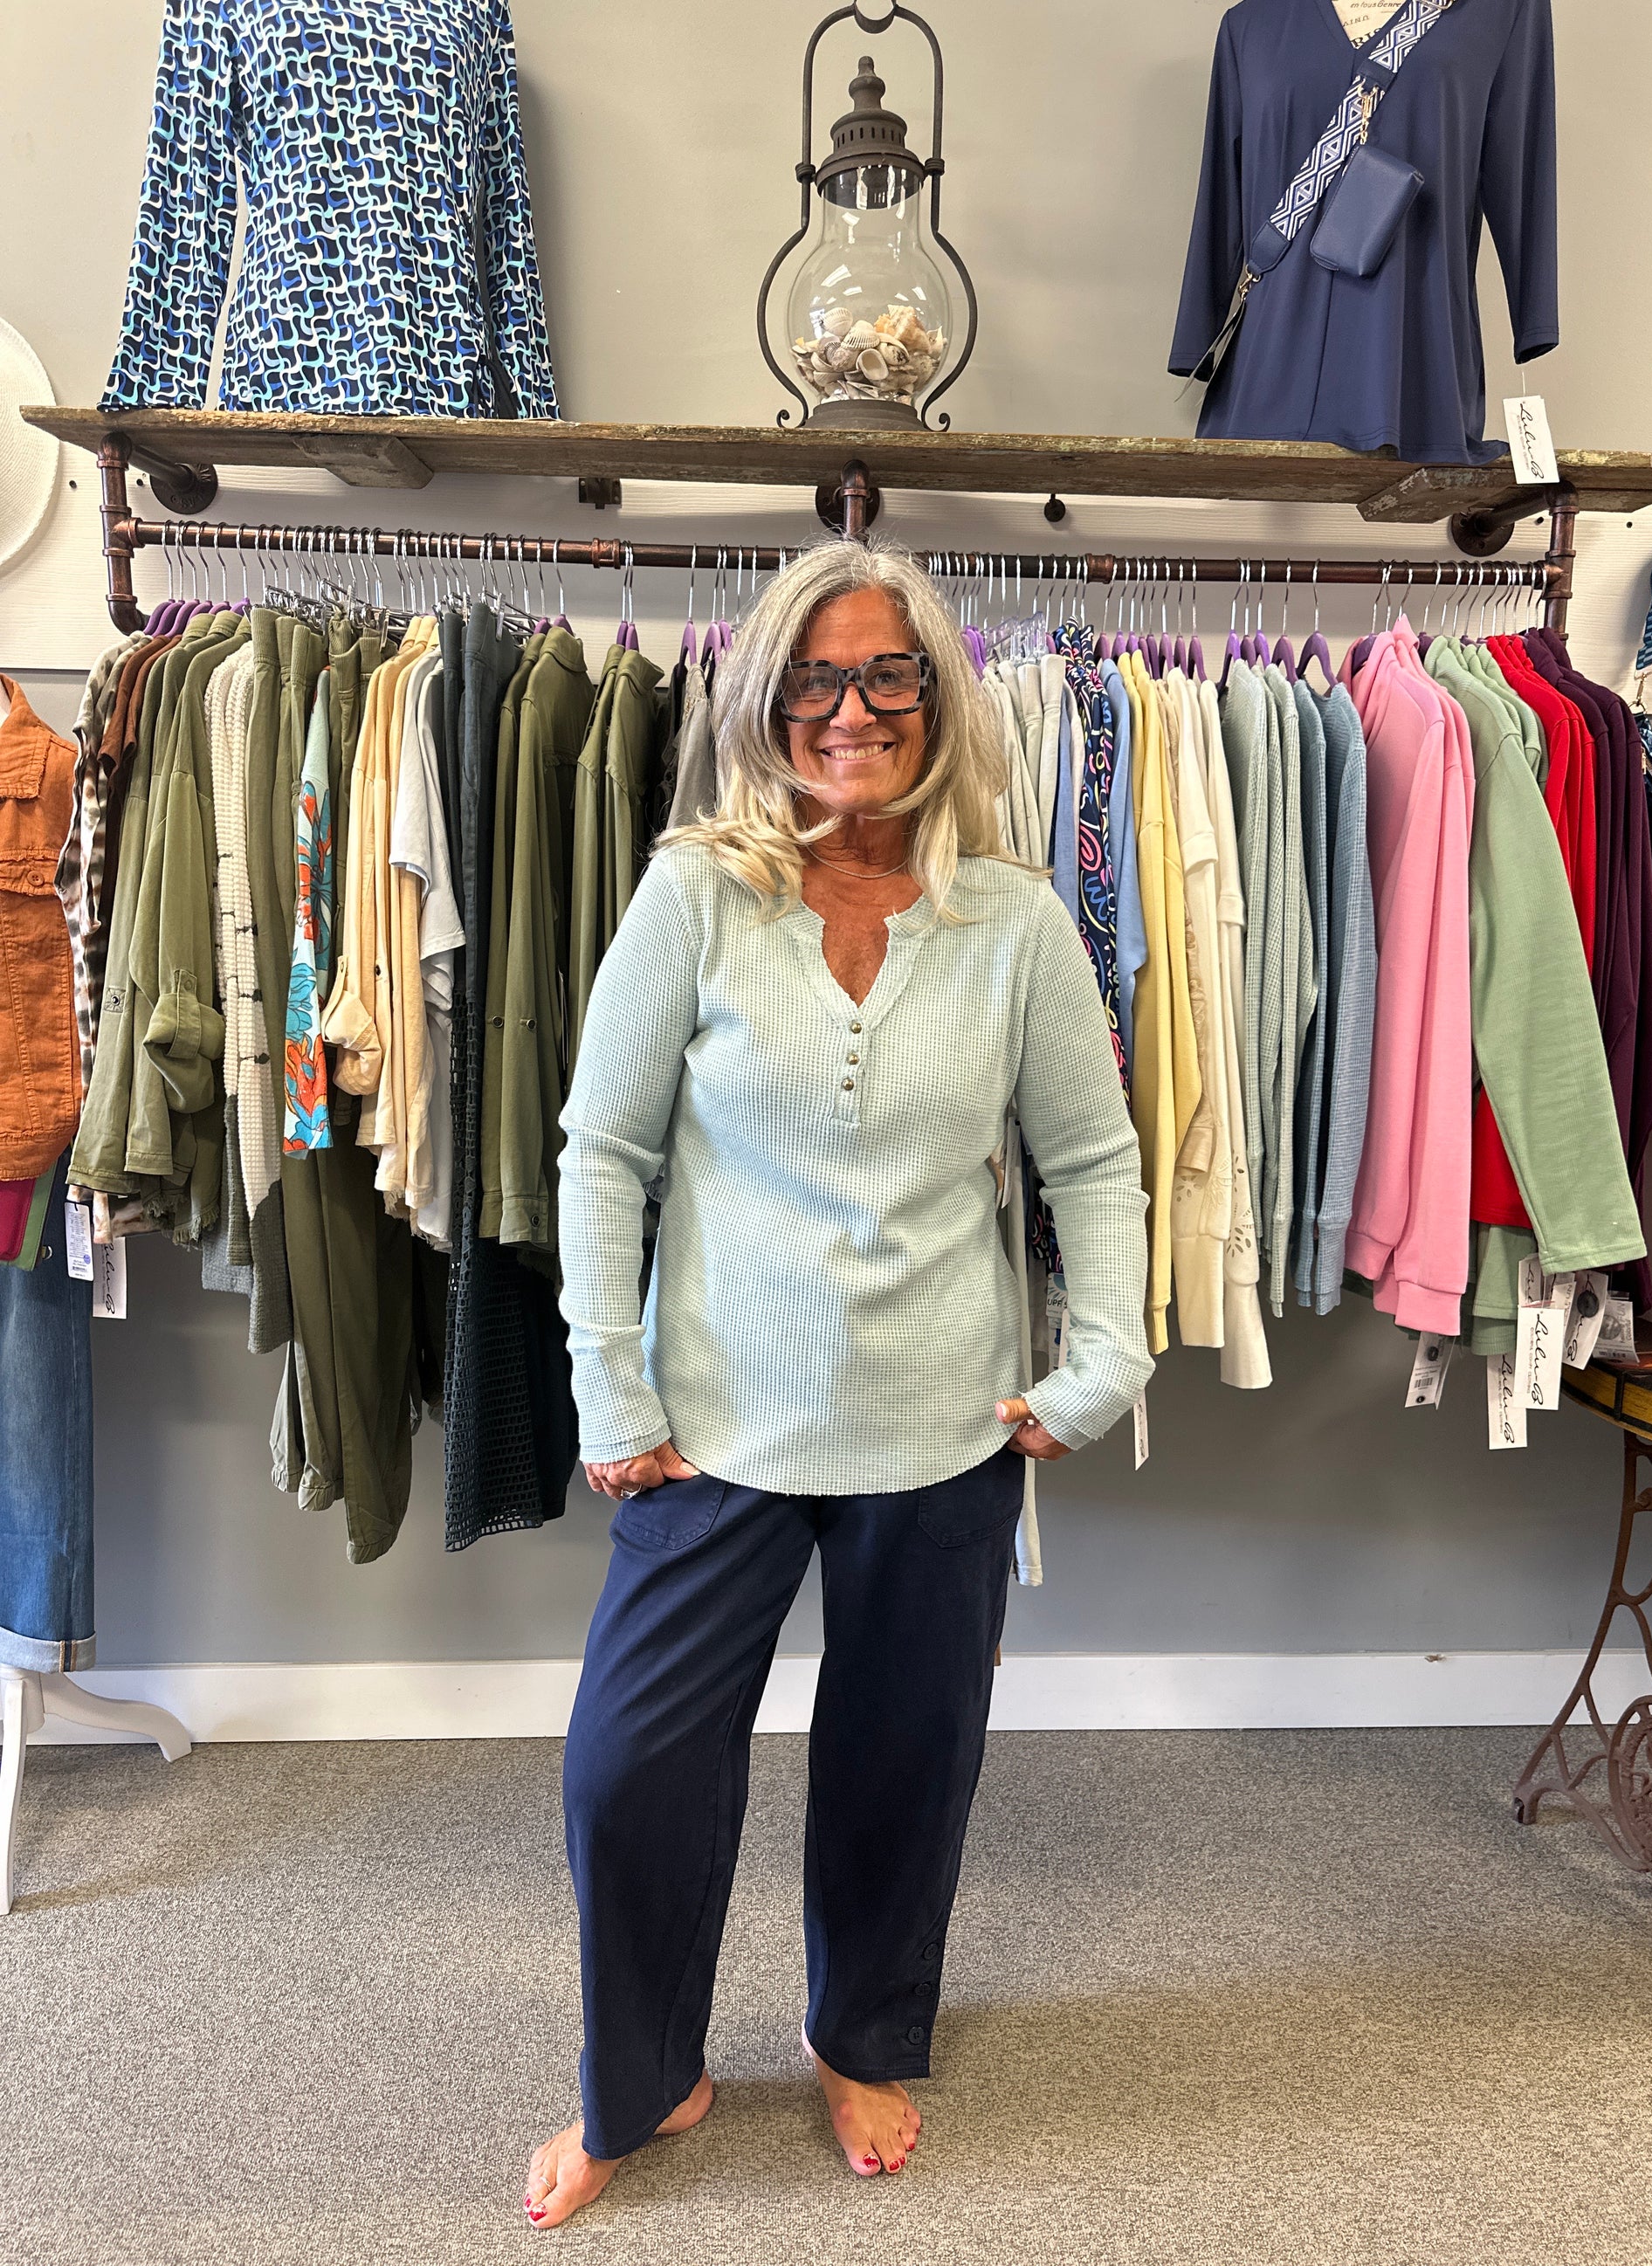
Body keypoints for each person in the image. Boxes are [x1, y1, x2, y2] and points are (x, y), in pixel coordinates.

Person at [525, 541, 1151, 2227]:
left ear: (937, 701)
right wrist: (611, 1391)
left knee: (904, 1760)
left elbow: (1090, 1164)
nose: (850, 711)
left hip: (941, 1436)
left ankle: (858, 2034)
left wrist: (1101, 1364)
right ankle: (639, 2076)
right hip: (714, 1430)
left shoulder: (1013, 922)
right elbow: (601, 1157)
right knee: (628, 1769)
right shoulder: (693, 898)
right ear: (763, 701)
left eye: (887, 677)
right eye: (815, 677)